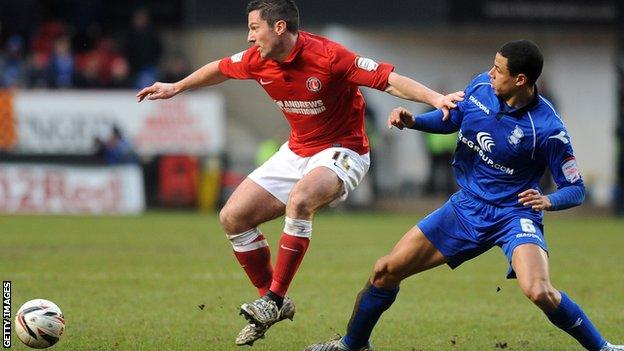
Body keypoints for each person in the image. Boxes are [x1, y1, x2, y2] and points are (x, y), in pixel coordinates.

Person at [136, 0, 463, 346]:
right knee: (233, 217)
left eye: (253, 28)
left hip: (344, 150)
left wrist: (436, 98)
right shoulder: (257, 60)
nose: (249, 38)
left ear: (279, 28)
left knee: (301, 199)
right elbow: (218, 68)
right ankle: (271, 300)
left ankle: (275, 298)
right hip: (297, 150)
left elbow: (388, 80)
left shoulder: (329, 56)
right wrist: (176, 87)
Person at [305, 40, 623, 351]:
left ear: (520, 80)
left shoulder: (547, 129)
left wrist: (549, 201)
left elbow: (576, 188)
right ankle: (352, 344)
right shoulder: (481, 88)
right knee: (385, 271)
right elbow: (453, 120)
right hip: (466, 208)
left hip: (514, 215)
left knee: (539, 291)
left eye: (498, 70)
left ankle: (604, 348)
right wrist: (413, 121)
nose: (490, 73)